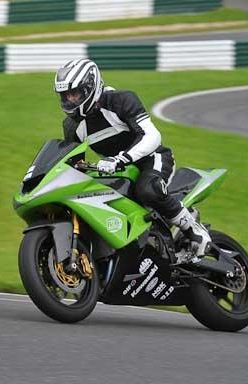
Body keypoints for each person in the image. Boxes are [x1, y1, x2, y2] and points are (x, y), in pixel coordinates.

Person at [54, 59, 211, 262]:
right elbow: (72, 163)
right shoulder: (71, 126)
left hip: (152, 159)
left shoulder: (120, 100)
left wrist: (122, 158)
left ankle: (193, 229)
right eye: (65, 95)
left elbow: (152, 136)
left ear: (90, 87)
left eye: (74, 93)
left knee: (148, 189)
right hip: (119, 171)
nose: (70, 100)